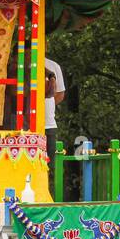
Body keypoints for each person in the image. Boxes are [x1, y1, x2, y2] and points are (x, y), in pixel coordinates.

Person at [44, 55, 66, 196]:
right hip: (24, 123)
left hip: (48, 124)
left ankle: (46, 194)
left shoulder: (53, 66)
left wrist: (47, 105)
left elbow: (59, 94)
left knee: (48, 165)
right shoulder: (19, 62)